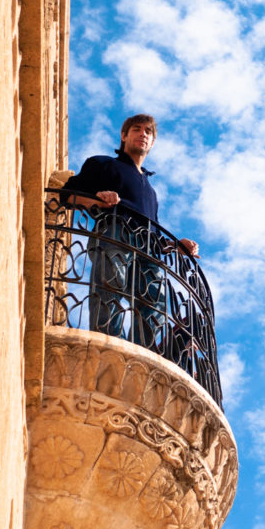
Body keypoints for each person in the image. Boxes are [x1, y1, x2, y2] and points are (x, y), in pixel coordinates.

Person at [62, 114, 199, 351]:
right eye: (137, 129)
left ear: (152, 142)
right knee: (111, 285)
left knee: (156, 299)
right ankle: (110, 344)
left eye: (148, 132)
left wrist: (176, 245)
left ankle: (140, 351)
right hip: (115, 231)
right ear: (124, 136)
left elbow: (153, 229)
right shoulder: (103, 164)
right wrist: (97, 199)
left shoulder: (150, 189)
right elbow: (67, 195)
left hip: (148, 247)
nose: (143, 134)